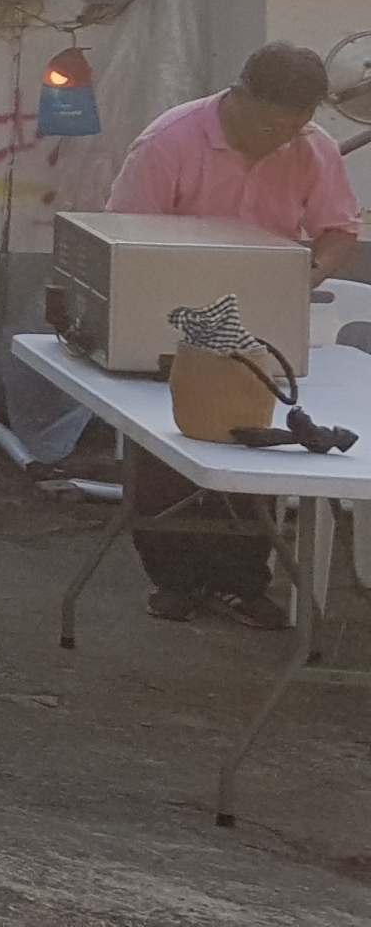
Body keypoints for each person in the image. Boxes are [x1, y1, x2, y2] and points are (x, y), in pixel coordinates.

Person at [100, 42, 359, 629]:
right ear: (237, 97)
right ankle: (173, 580)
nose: (280, 140)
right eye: (269, 127)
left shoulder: (311, 147)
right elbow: (125, 237)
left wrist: (306, 275)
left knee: (254, 441)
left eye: (293, 130)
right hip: (172, 314)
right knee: (169, 446)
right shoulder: (169, 143)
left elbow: (339, 228)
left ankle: (240, 580)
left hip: (258, 325)